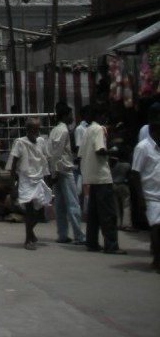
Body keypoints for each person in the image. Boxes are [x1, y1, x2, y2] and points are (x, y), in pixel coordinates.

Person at [78, 104, 126, 254]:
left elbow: (81, 153)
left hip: (90, 175)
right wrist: (111, 153)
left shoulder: (87, 130)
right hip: (102, 176)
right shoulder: (98, 129)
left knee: (94, 214)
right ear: (100, 116)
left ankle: (91, 242)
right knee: (108, 213)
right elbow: (100, 149)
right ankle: (111, 245)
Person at [8, 117, 53, 250]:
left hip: (39, 179)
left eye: (38, 129)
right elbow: (13, 165)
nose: (36, 132)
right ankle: (28, 240)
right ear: (27, 130)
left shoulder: (41, 141)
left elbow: (45, 160)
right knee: (29, 211)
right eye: (34, 130)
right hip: (26, 180)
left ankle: (31, 232)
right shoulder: (20, 143)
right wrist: (13, 186)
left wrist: (48, 179)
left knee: (40, 213)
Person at [47, 103, 86, 245]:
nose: (72, 117)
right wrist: (54, 173)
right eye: (70, 114)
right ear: (65, 116)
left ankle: (62, 234)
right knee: (73, 204)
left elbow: (52, 153)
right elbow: (56, 154)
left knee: (60, 205)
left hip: (58, 171)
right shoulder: (63, 131)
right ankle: (79, 235)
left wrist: (53, 172)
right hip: (64, 170)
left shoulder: (55, 131)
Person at [130, 104, 160, 273]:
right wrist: (140, 198)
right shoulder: (143, 147)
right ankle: (157, 259)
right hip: (151, 195)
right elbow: (135, 173)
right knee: (157, 227)